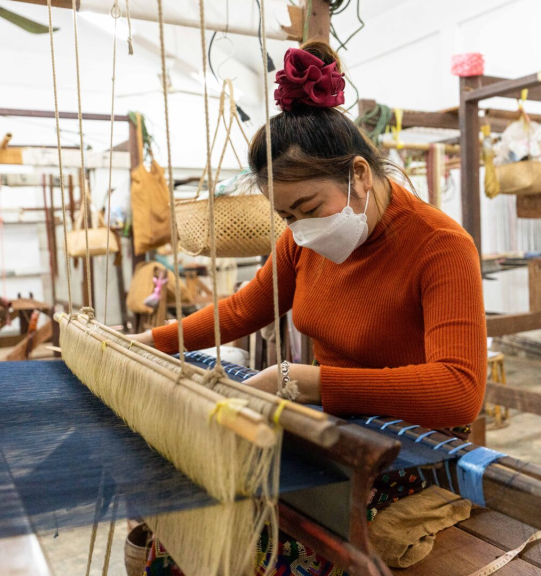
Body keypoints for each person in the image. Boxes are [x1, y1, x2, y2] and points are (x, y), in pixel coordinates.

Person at [130, 42, 487, 574]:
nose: (298, 227)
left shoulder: (440, 246)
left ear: (360, 176)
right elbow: (246, 308)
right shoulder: (301, 240)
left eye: (308, 207)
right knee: (177, 522)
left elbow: (459, 392)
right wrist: (148, 343)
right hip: (331, 427)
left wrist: (301, 381)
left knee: (261, 550)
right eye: (285, 214)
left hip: (409, 446)